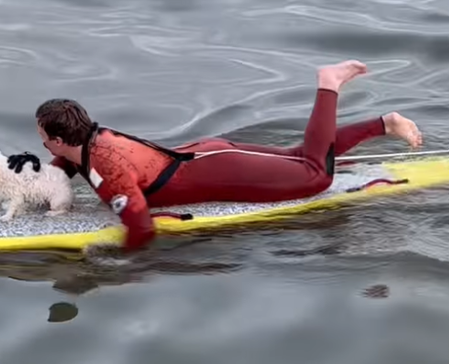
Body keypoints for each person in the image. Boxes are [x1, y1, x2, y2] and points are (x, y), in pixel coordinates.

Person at [34, 60, 423, 251]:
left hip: (218, 168)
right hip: (206, 158)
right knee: (301, 156)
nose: (41, 145)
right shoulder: (78, 149)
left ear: (57, 137)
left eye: (42, 138)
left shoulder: (108, 165)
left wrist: (109, 264)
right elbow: (54, 177)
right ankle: (385, 124)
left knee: (314, 175)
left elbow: (141, 229)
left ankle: (329, 84)